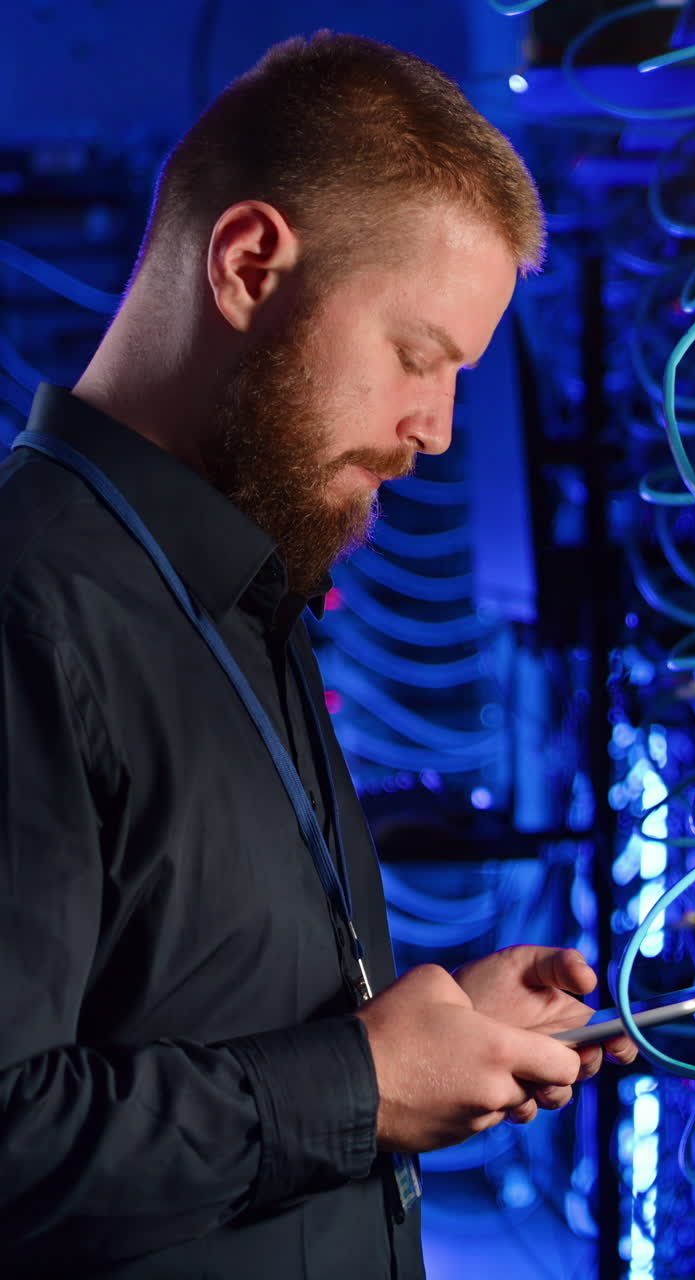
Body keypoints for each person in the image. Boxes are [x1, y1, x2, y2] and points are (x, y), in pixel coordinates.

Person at [0, 32, 637, 1280]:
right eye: (418, 356)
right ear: (248, 264)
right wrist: (360, 1081)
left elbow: (190, 1009)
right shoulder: (31, 611)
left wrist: (433, 1037)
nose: (440, 430)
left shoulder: (249, 583)